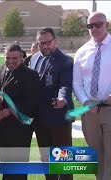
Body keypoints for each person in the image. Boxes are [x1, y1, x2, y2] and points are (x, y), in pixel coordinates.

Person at [0, 44, 40, 180]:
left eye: (14, 58)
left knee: (18, 167)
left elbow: (32, 102)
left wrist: (9, 111)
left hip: (19, 128)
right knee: (5, 164)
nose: (11, 61)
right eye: (7, 58)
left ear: (21, 57)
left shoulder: (31, 75)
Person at [29, 27, 74, 180]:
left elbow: (66, 85)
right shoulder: (34, 58)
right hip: (39, 119)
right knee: (46, 159)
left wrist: (62, 98)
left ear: (55, 41)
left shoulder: (66, 61)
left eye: (47, 42)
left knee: (63, 160)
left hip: (58, 118)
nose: (44, 46)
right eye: (40, 43)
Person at [73, 12, 111, 180]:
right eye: (90, 26)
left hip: (110, 109)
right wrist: (86, 102)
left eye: (98, 24)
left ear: (107, 24)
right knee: (96, 156)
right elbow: (77, 83)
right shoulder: (82, 52)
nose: (94, 28)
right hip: (90, 112)